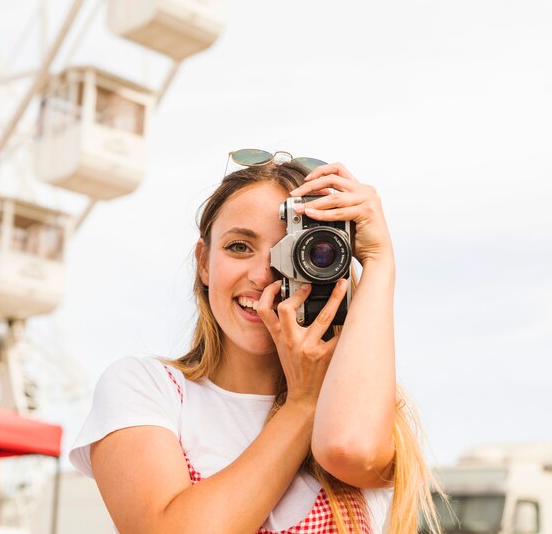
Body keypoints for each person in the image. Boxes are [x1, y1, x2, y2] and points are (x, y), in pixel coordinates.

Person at [70, 154, 440, 534]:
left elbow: (349, 449)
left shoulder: (358, 406)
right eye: (239, 247)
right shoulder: (146, 388)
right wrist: (303, 403)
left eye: (295, 250)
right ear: (204, 263)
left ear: (334, 266)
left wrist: (380, 261)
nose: (264, 274)